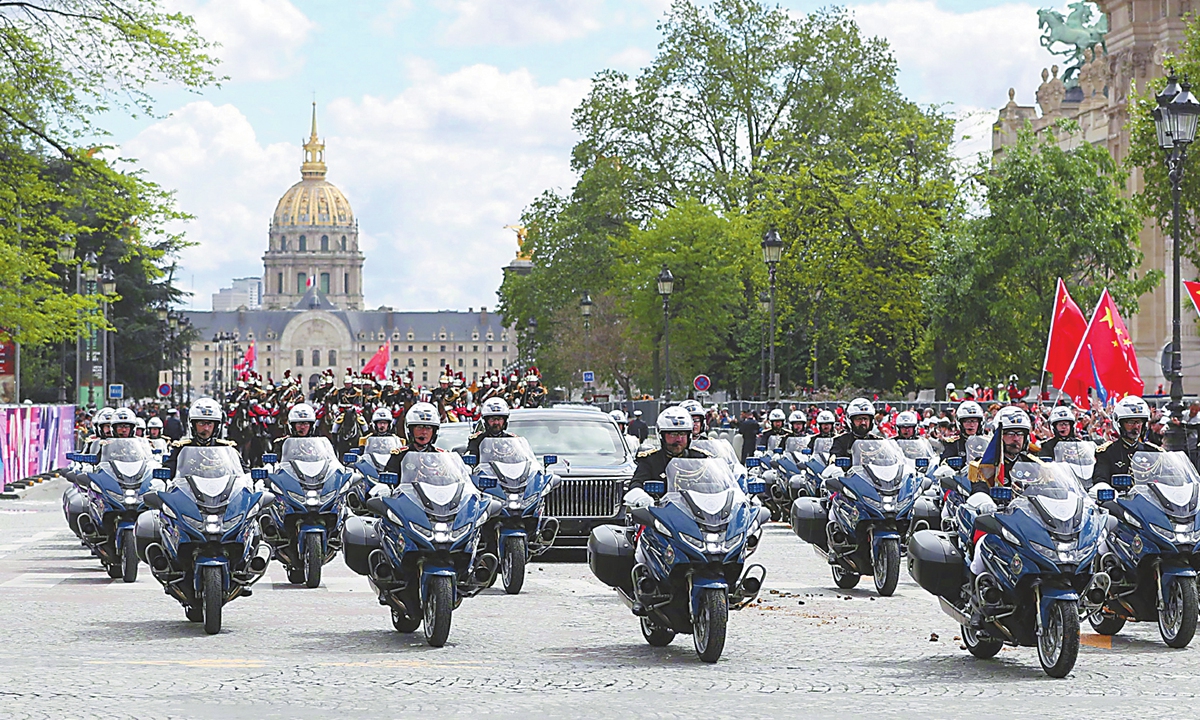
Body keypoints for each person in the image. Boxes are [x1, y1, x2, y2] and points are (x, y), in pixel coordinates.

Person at [625, 406, 710, 498]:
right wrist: (640, 496)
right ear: (662, 436)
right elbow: (636, 483)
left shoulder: (699, 459)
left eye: (683, 434)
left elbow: (713, 483)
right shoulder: (650, 460)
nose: (678, 439)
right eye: (673, 434)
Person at [1094, 396, 1161, 484]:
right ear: (1120, 424)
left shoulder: (1153, 452)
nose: (1136, 426)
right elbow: (1100, 481)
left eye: (1139, 422)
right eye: (1130, 422)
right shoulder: (1107, 452)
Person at [163, 398, 237, 475]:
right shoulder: (181, 449)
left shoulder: (226, 448)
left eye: (209, 424)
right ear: (193, 425)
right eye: (201, 423)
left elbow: (241, 471)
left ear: (216, 426)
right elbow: (169, 469)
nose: (206, 428)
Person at [383, 402, 445, 475]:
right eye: (419, 427)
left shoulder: (440, 456)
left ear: (434, 432)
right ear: (411, 431)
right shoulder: (399, 456)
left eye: (428, 428)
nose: (424, 432)